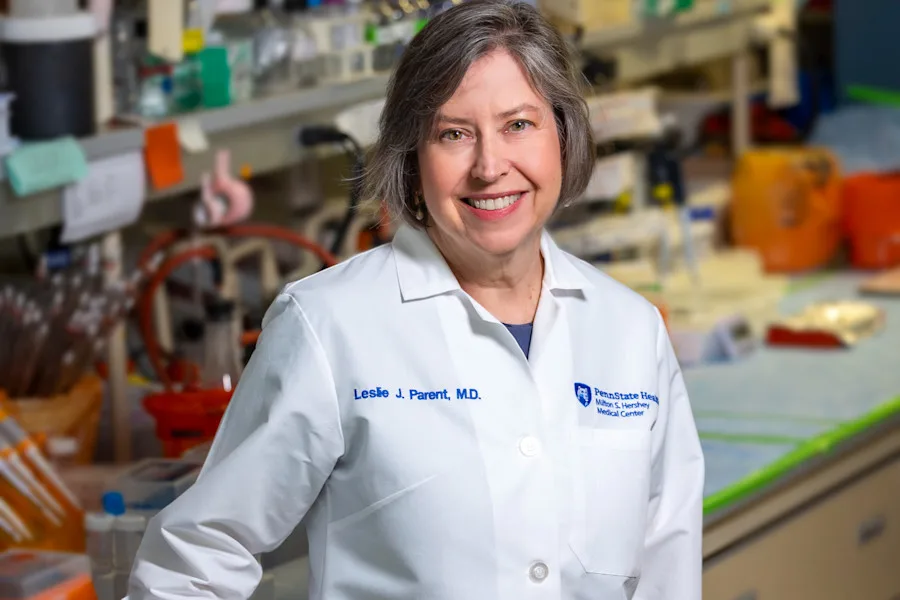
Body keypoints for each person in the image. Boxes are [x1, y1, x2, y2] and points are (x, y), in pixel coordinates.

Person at [127, 1, 704, 599]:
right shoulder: (331, 327)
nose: (490, 166)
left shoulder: (630, 331)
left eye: (518, 125)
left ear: (562, 135)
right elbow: (196, 556)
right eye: (454, 134)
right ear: (412, 159)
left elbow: (668, 573)